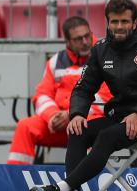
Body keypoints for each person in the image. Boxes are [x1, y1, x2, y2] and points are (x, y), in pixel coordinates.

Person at [29, 0, 137, 191]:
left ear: (135, 22)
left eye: (124, 22)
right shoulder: (101, 49)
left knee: (106, 136)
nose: (119, 27)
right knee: (78, 129)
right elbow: (83, 88)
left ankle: (61, 189)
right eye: (114, 22)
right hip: (119, 118)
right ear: (107, 23)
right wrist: (77, 113)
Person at [7, 17, 109, 165]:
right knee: (25, 127)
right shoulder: (55, 61)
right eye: (78, 39)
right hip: (60, 124)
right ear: (67, 42)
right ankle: (16, 178)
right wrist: (53, 117)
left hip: (87, 121)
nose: (85, 41)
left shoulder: (104, 57)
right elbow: (42, 95)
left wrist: (72, 114)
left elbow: (105, 98)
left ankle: (89, 183)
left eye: (87, 36)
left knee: (90, 126)